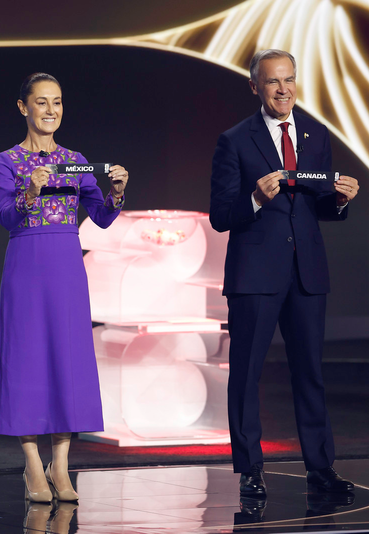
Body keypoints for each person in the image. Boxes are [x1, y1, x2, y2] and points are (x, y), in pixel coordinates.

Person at [210, 49, 359, 497]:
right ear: (255, 86)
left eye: (289, 79)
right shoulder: (235, 140)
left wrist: (340, 200)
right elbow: (221, 216)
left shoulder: (316, 134)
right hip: (255, 274)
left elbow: (316, 206)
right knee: (246, 374)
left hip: (306, 273)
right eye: (273, 81)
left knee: (310, 372)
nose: (283, 89)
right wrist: (256, 199)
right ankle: (250, 469)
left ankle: (320, 467)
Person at [0, 73, 129, 502]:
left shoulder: (75, 159)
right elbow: (6, 217)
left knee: (67, 362)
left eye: (57, 102)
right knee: (26, 362)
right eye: (42, 102)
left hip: (67, 268)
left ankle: (61, 466)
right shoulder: (7, 160)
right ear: (23, 107)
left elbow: (101, 217)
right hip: (26, 267)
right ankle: (33, 465)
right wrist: (30, 191)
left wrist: (116, 193)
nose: (51, 110)